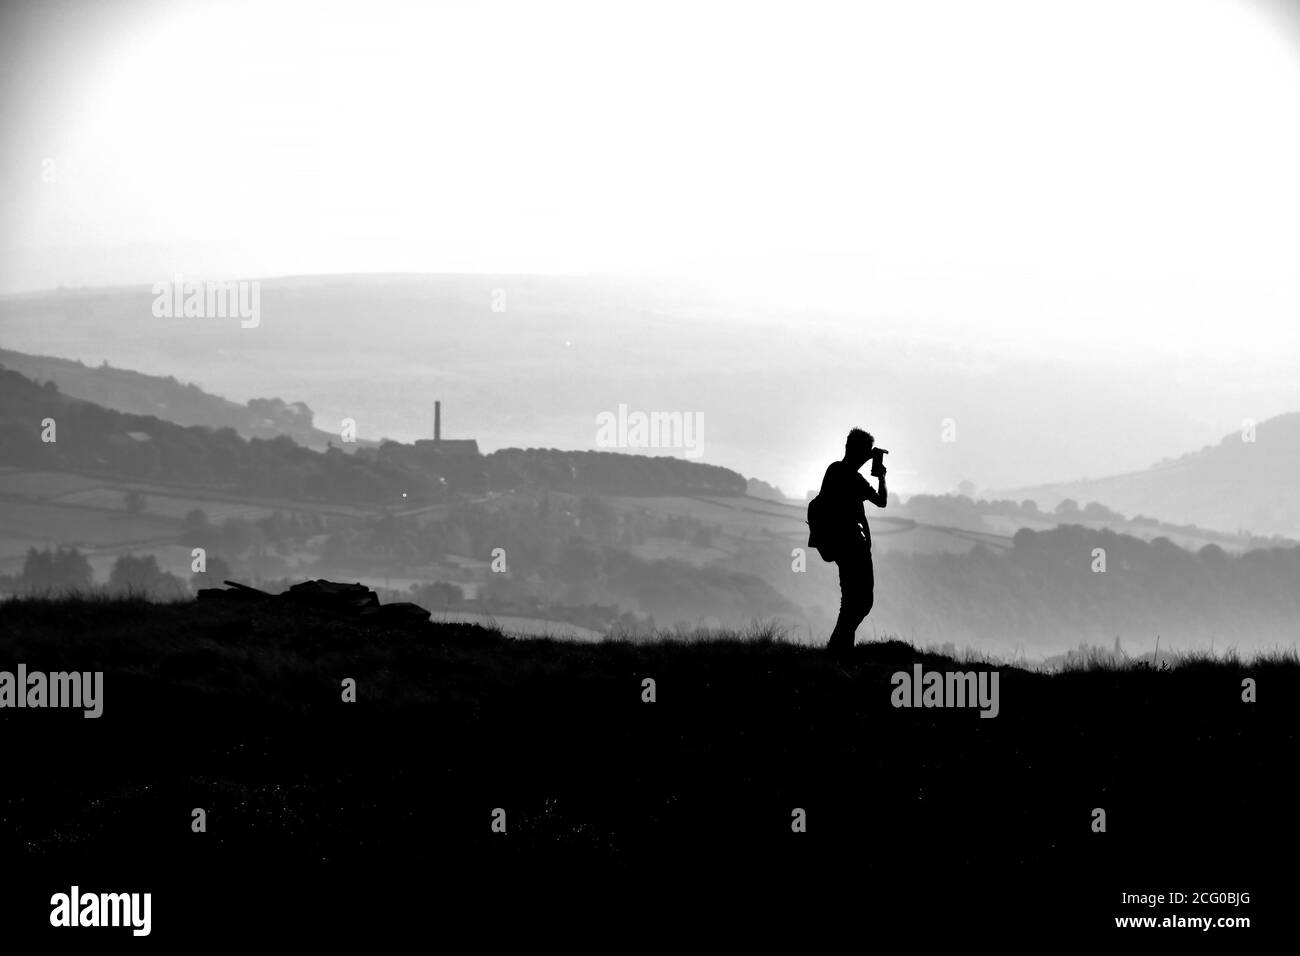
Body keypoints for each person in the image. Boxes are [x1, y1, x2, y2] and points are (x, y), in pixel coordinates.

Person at [819, 427, 887, 656]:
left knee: (851, 599)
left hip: (840, 545)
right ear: (859, 451)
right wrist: (881, 477)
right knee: (862, 600)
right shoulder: (851, 477)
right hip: (854, 546)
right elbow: (881, 501)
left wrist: (867, 459)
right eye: (866, 451)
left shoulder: (834, 470)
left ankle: (841, 647)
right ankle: (838, 648)